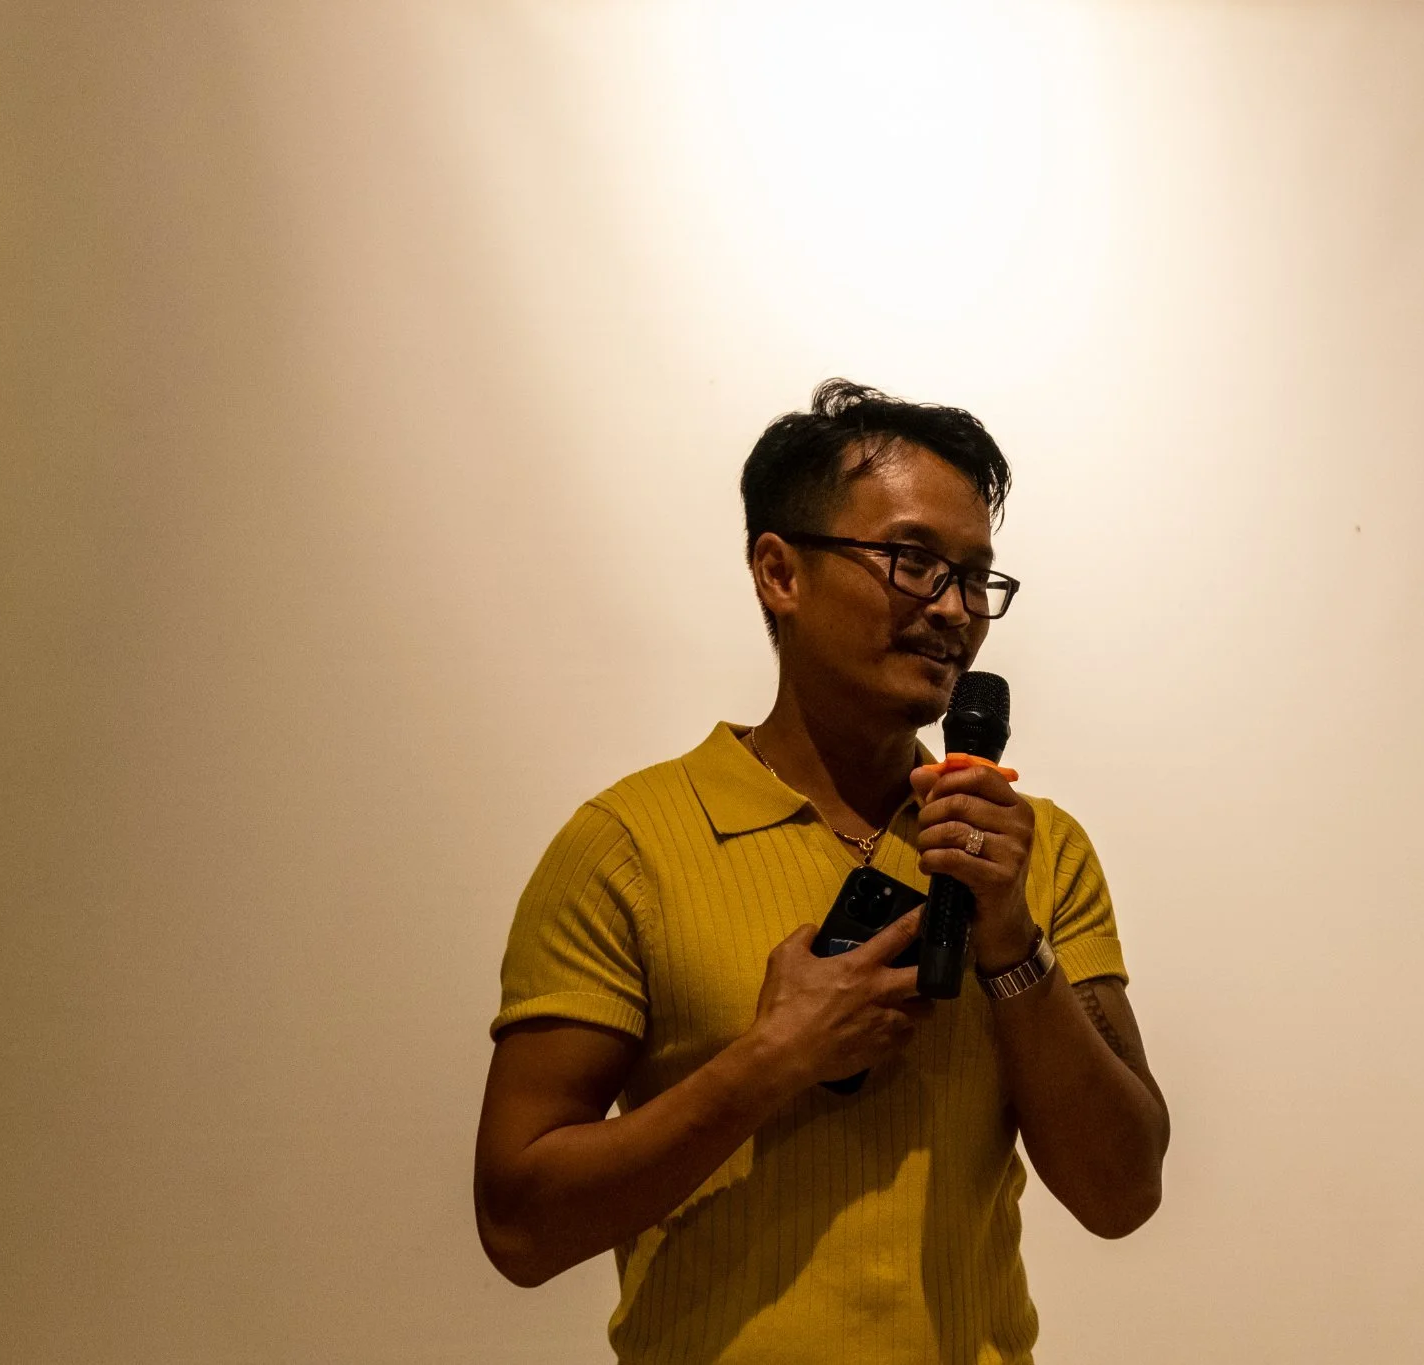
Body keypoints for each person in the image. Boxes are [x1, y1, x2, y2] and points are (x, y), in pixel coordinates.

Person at [474, 380, 1169, 1364]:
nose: (954, 610)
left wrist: (1011, 937)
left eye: (977, 578)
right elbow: (518, 1228)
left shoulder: (1033, 851)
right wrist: (774, 1058)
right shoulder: (629, 844)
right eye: (913, 562)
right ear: (779, 573)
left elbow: (1122, 1192)